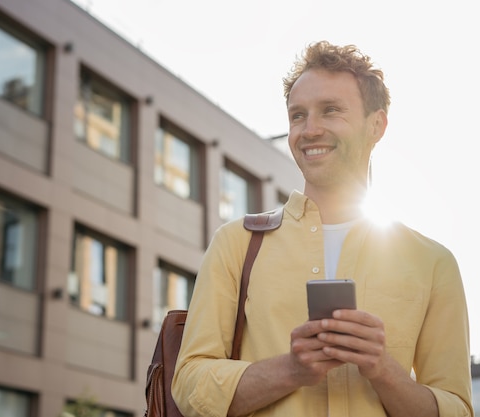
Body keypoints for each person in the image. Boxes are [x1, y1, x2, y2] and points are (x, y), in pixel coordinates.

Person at [171, 40, 473, 417]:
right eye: (298, 116)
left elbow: (457, 408)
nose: (309, 129)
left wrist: (383, 370)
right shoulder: (236, 243)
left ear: (376, 125)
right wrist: (292, 369)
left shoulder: (433, 263)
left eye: (330, 111)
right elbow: (189, 384)